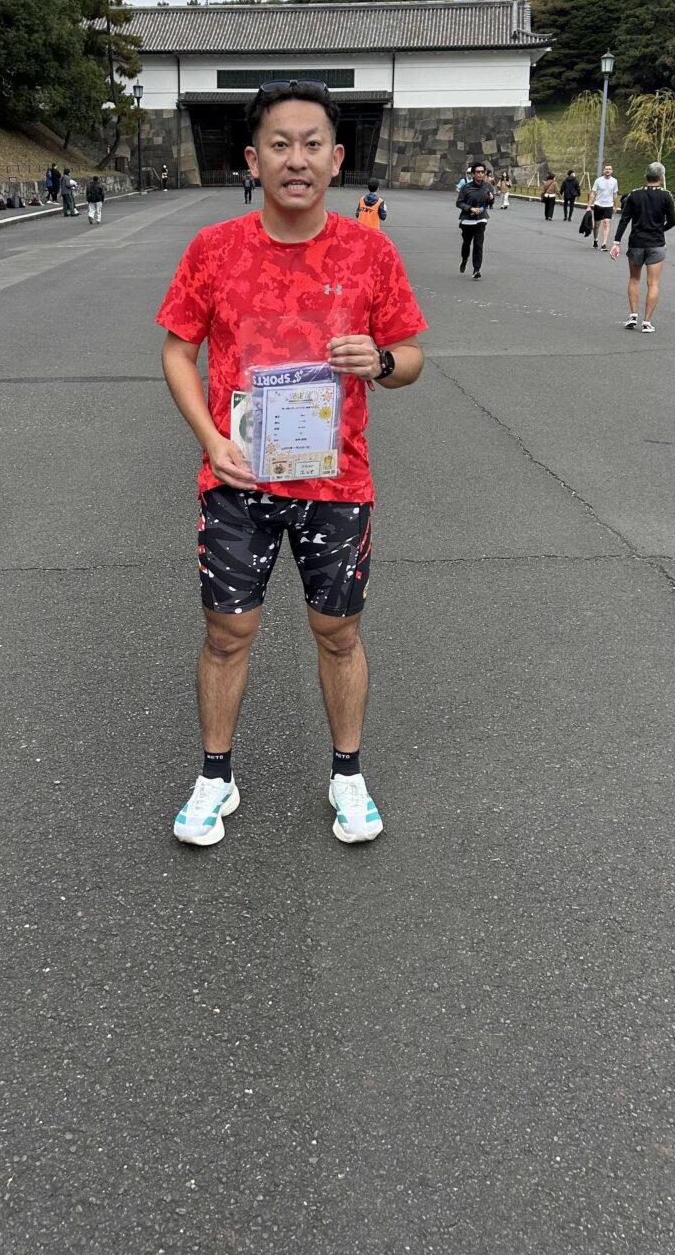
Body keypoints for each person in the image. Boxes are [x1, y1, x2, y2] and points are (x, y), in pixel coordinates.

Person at [158, 77, 427, 847]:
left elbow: (410, 358)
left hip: (335, 484)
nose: (296, 159)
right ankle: (215, 777)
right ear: (254, 159)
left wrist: (379, 361)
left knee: (337, 631)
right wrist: (211, 440)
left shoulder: (370, 251)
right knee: (226, 632)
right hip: (237, 477)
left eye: (313, 144)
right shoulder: (214, 249)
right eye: (280, 144)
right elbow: (177, 351)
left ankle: (348, 774)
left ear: (337, 159)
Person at [610, 161, 675, 333]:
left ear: (646, 176)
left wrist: (616, 242)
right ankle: (647, 322)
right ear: (661, 177)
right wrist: (660, 230)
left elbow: (625, 220)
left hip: (636, 243)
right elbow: (672, 220)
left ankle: (633, 315)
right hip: (656, 243)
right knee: (653, 283)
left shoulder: (634, 195)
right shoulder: (666, 196)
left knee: (634, 279)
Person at [456, 161, 494, 279]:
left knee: (478, 244)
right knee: (466, 243)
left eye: (482, 172)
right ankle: (464, 259)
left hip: (481, 219)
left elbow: (490, 202)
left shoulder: (488, 186)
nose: (480, 174)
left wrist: (490, 199)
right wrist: (470, 208)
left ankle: (476, 269)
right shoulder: (466, 188)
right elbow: (459, 203)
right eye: (478, 172)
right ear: (473, 174)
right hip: (467, 220)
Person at [588, 164, 619, 249]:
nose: (608, 171)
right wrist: (589, 205)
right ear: (603, 171)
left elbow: (615, 194)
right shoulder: (598, 180)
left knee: (606, 223)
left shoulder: (614, 181)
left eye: (609, 169)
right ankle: (595, 240)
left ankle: (604, 243)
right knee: (597, 225)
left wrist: (615, 206)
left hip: (608, 205)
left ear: (612, 171)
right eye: (606, 169)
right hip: (598, 204)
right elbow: (593, 193)